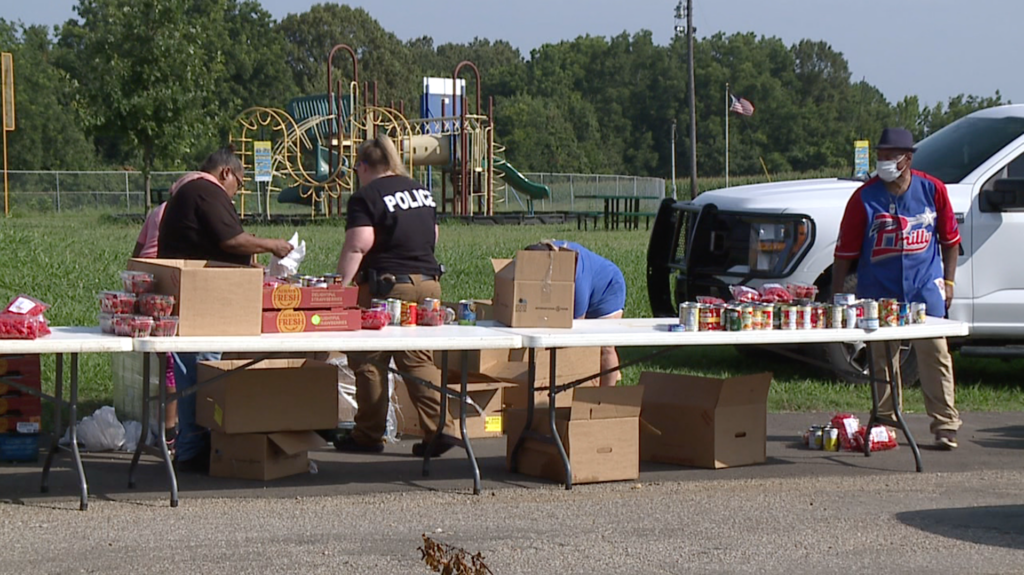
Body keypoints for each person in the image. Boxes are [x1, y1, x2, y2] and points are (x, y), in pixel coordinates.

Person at [158, 146, 293, 472]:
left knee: (195, 370)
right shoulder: (207, 191)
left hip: (193, 295)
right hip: (203, 300)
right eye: (239, 183)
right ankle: (195, 447)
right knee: (203, 372)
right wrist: (273, 244)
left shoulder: (189, 190)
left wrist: (252, 246)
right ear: (226, 173)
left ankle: (195, 445)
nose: (238, 191)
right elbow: (230, 240)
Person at [832, 127, 962, 450]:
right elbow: (844, 253)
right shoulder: (864, 197)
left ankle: (945, 425)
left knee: (936, 353)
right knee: (882, 358)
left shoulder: (932, 190)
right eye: (880, 155)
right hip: (881, 289)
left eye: (891, 156)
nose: (884, 161)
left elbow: (950, 241)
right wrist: (837, 297)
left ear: (908, 158)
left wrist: (948, 282)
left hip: (924, 289)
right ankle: (886, 422)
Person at [334, 134, 456, 456]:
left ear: (362, 167)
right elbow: (432, 235)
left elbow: (359, 244)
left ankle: (369, 435)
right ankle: (439, 427)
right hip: (429, 284)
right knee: (418, 358)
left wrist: (339, 288)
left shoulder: (366, 196)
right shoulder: (421, 192)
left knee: (369, 361)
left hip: (388, 289)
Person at [130, 173, 213, 456]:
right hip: (172, 286)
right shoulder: (189, 212)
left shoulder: (157, 212)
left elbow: (138, 252)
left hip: (149, 286)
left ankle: (164, 430)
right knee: (175, 363)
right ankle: (170, 434)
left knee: (166, 361)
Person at [525, 240, 626, 387]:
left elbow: (577, 325)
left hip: (608, 289)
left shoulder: (576, 274)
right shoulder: (535, 256)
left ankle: (606, 397)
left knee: (605, 346)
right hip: (587, 286)